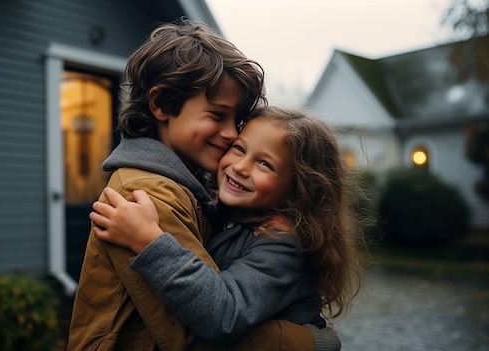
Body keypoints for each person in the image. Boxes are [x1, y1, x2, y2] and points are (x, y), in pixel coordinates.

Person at [67, 18, 340, 351]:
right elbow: (194, 332)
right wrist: (312, 341)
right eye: (217, 115)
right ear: (162, 104)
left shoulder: (195, 192)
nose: (231, 134)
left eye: (236, 120)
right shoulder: (149, 195)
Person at [90, 106, 367, 346]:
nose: (241, 167)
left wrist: (148, 240)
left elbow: (223, 314)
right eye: (239, 149)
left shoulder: (281, 248)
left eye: (264, 164)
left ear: (299, 189)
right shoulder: (229, 215)